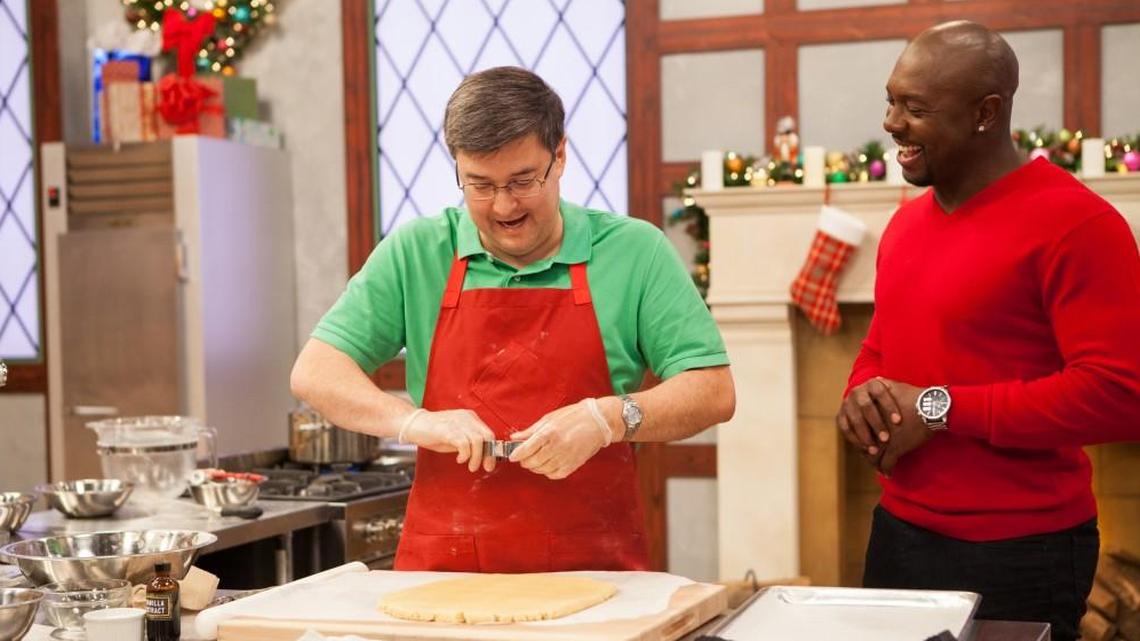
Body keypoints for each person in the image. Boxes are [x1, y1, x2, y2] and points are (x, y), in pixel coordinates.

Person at [291, 66, 735, 573]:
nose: (503, 206)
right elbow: (315, 372)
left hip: (594, 571)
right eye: (479, 185)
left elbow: (713, 391)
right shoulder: (417, 251)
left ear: (561, 155)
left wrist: (607, 419)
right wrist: (414, 421)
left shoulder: (636, 251)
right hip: (444, 571)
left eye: (523, 181)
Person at [835, 20, 1140, 641]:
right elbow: (880, 348)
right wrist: (861, 396)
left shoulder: (1079, 226)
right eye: (890, 101)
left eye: (915, 108)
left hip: (1026, 552)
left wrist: (940, 409)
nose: (892, 123)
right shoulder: (905, 225)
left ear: (987, 112)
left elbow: (1120, 395)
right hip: (896, 534)